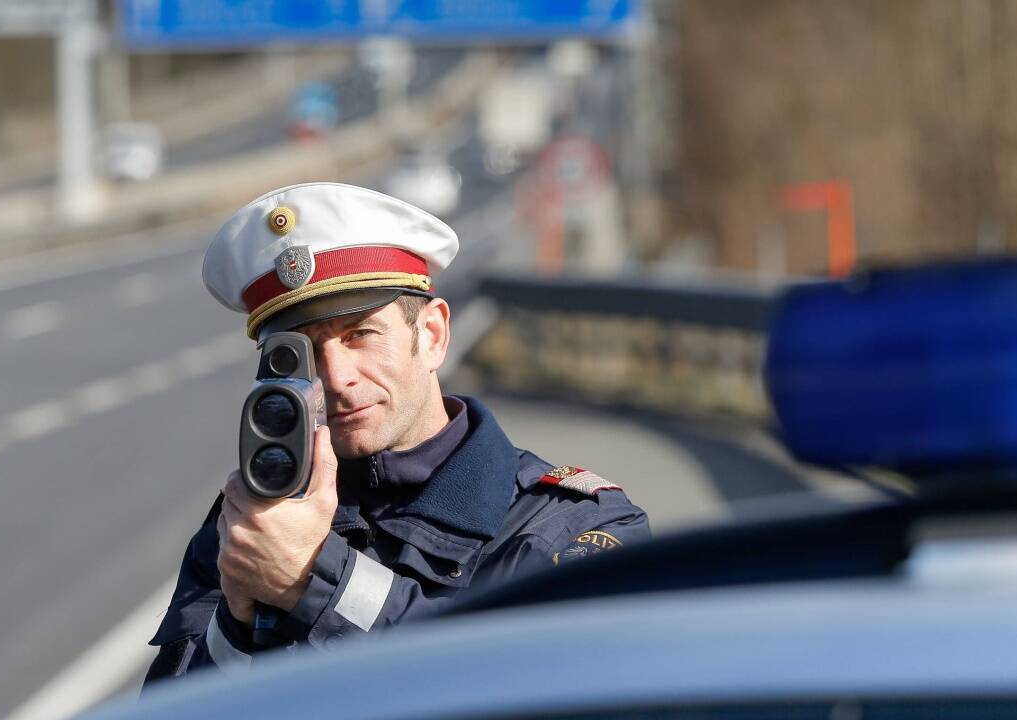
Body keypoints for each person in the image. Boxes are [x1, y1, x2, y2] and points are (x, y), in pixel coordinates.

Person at [143, 182, 650, 683]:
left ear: (431, 336)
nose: (336, 376)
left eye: (360, 335)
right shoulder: (255, 527)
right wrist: (239, 628)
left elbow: (534, 687)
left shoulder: (571, 525)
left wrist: (318, 581)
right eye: (301, 353)